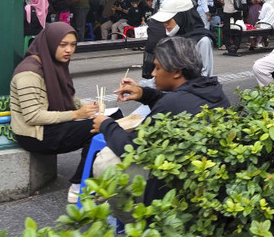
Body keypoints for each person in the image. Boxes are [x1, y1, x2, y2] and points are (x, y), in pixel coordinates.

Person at [91, 36, 229, 205]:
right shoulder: (212, 89)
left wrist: (105, 124)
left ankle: (134, 222)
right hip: (207, 178)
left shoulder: (170, 103)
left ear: (177, 71)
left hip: (175, 188)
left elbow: (129, 146)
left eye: (157, 68)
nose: (152, 74)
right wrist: (145, 94)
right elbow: (182, 104)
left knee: (107, 160)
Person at [9, 22, 100, 203]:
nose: (69, 50)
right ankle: (78, 186)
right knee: (101, 128)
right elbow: (33, 116)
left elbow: (65, 98)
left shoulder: (52, 63)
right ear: (50, 43)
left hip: (52, 126)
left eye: (73, 45)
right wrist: (76, 114)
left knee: (112, 119)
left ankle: (99, 176)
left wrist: (90, 107)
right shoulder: (29, 73)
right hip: (34, 135)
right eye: (63, 44)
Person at [149, 0, 216, 77]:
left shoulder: (202, 40)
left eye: (169, 20)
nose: (165, 24)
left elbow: (205, 75)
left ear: (181, 17)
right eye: (164, 20)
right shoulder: (168, 39)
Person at [143, 0, 188, 78]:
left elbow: (184, 18)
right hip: (155, 35)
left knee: (167, 65)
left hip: (170, 36)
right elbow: (155, 12)